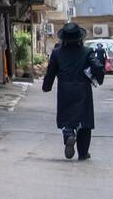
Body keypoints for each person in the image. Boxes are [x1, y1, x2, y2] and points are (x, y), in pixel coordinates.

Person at [42, 21, 103, 160]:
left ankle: (69, 134)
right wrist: (99, 79)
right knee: (85, 121)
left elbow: (50, 72)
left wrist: (47, 86)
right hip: (83, 90)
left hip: (65, 90)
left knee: (67, 118)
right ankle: (83, 153)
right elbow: (98, 67)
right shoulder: (87, 52)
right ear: (80, 38)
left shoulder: (57, 53)